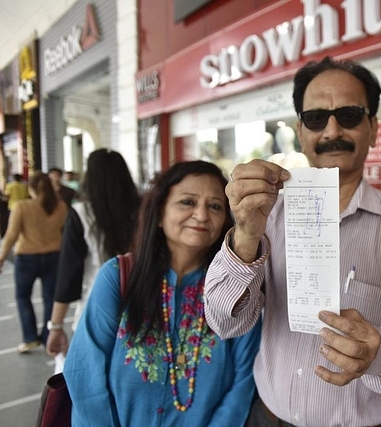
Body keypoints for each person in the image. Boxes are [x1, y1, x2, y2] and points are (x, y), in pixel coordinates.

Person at [204, 56, 381, 427]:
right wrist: (246, 235)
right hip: (269, 416)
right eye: (317, 118)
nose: (332, 130)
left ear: (373, 127)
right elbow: (225, 322)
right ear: (301, 131)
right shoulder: (266, 213)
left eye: (349, 115)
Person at [64, 160, 261, 425]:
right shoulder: (118, 276)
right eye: (187, 202)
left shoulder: (236, 289)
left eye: (215, 206)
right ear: (158, 214)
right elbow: (85, 375)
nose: (202, 215)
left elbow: (243, 383)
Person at [45, 149, 141, 368]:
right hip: (141, 312)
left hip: (94, 312)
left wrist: (56, 326)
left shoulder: (81, 213)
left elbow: (68, 275)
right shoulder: (143, 209)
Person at [0, 172, 68, 353]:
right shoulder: (61, 207)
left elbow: (11, 236)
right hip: (54, 256)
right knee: (50, 298)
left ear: (31, 188)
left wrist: (1, 258)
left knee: (23, 297)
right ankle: (48, 338)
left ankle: (30, 338)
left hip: (26, 258)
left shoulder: (22, 207)